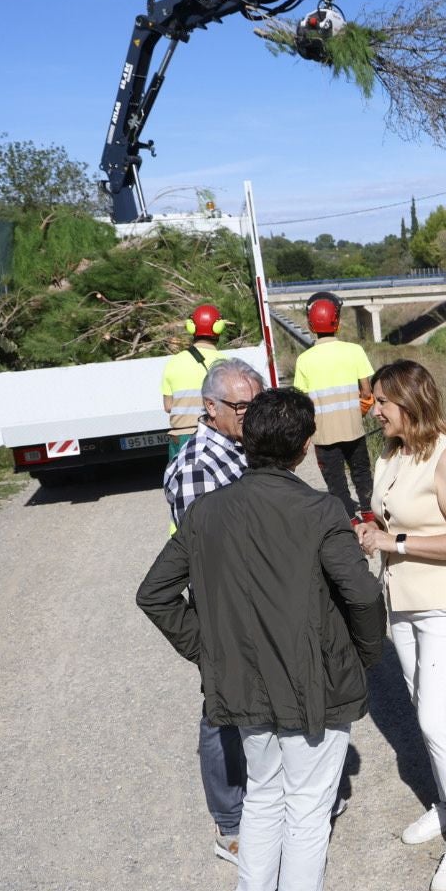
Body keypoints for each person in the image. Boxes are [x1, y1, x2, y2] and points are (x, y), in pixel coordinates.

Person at [138, 387, 385, 891]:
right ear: (304, 447)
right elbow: (362, 596)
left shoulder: (205, 513)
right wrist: (364, 656)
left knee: (264, 793)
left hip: (243, 685)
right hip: (310, 686)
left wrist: (208, 652)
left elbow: (154, 594)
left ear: (245, 440)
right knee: (307, 804)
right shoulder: (320, 511)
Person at [354, 359, 446, 891]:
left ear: (408, 402)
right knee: (420, 706)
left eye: (381, 402)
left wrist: (397, 544)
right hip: (402, 602)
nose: (374, 410)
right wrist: (370, 527)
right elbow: (387, 515)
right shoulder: (392, 452)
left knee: (436, 719)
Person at [162, 359, 261, 864]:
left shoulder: (240, 448)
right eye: (242, 407)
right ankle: (230, 827)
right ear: (210, 407)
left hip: (254, 605)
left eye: (255, 405)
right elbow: (216, 557)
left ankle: (260, 809)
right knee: (221, 713)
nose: (252, 415)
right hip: (227, 612)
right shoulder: (200, 466)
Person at [292, 292, 375, 520]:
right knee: (361, 473)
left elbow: (303, 401)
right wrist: (358, 412)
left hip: (324, 435)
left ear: (311, 324)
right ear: (336, 321)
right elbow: (367, 391)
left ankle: (350, 519)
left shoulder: (304, 360)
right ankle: (369, 514)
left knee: (336, 480)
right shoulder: (354, 351)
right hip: (353, 428)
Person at [161, 303, 229, 459]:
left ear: (191, 328)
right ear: (218, 328)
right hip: (214, 435)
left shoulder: (173, 362)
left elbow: (168, 406)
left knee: (181, 482)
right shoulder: (226, 364)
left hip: (182, 437)